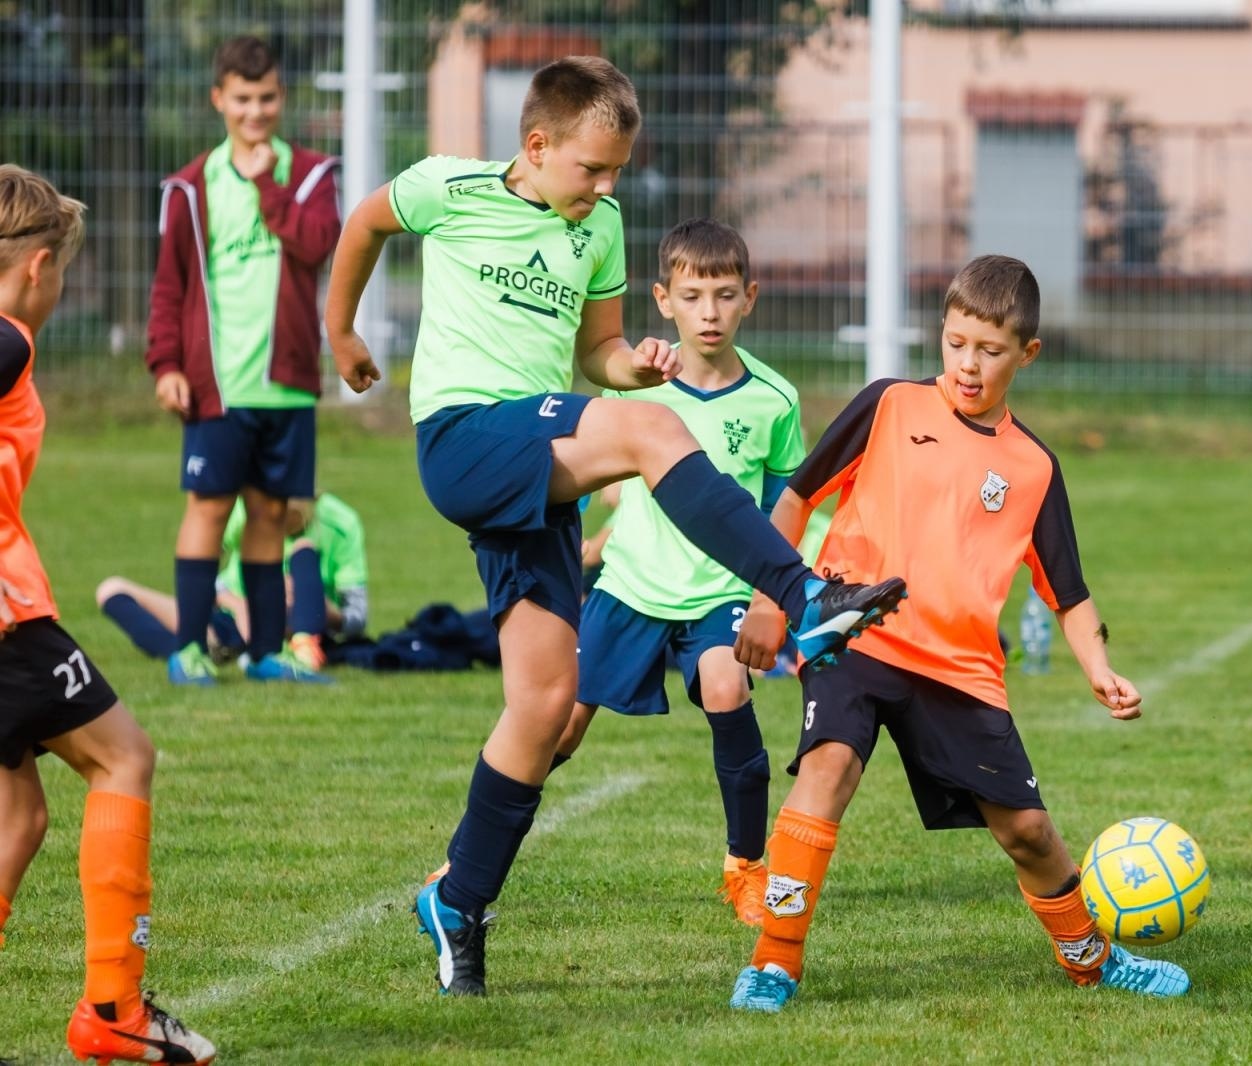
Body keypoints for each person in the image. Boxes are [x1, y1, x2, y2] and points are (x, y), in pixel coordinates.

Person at [323, 55, 907, 996]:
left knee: (545, 704)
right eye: (591, 169)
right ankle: (804, 595)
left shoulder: (598, 228)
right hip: (466, 437)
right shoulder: (449, 188)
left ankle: (459, 902)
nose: (604, 188)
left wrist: (633, 366)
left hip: (539, 464)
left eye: (617, 174)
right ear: (537, 144)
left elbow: (595, 352)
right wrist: (341, 329)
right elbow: (362, 225)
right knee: (653, 436)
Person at [725, 255, 1190, 1013]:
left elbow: (1067, 591)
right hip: (856, 629)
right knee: (829, 767)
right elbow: (796, 497)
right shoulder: (890, 405)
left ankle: (1092, 960)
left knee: (1030, 833)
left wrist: (1099, 668)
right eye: (956, 342)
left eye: (990, 350)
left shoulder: (1034, 467)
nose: (968, 365)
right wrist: (770, 600)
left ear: (1027, 353)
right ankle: (775, 963)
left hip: (961, 668)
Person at [0, 165, 216, 1064]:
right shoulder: (8, 338)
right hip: (6, 618)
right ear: (41, 267)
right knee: (124, 755)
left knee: (18, 816)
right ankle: (114, 1008)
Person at [548, 217, 804, 926]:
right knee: (559, 725)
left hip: (720, 590)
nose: (710, 313)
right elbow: (608, 477)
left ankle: (746, 866)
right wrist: (598, 540)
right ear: (663, 299)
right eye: (693, 297)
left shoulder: (775, 400)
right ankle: (473, 852)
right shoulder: (637, 388)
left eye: (725, 295)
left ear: (750, 297)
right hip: (630, 584)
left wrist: (766, 599)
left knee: (726, 686)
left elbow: (784, 510)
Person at [145, 34, 340, 686]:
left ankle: (263, 654)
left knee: (270, 516)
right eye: (242, 99)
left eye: (266, 98)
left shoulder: (310, 174)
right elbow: (169, 286)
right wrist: (166, 364)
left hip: (286, 387)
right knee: (208, 509)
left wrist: (268, 187)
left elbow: (318, 245)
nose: (255, 112)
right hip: (218, 388)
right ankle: (188, 648)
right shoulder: (191, 188)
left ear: (280, 98)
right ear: (218, 99)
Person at [97, 492, 369, 672]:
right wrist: (238, 605)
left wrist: (319, 605)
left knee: (304, 551)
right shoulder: (246, 507)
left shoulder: (341, 521)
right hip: (231, 617)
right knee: (111, 590)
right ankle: (198, 652)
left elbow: (356, 618)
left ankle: (301, 647)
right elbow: (203, 579)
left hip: (298, 619)